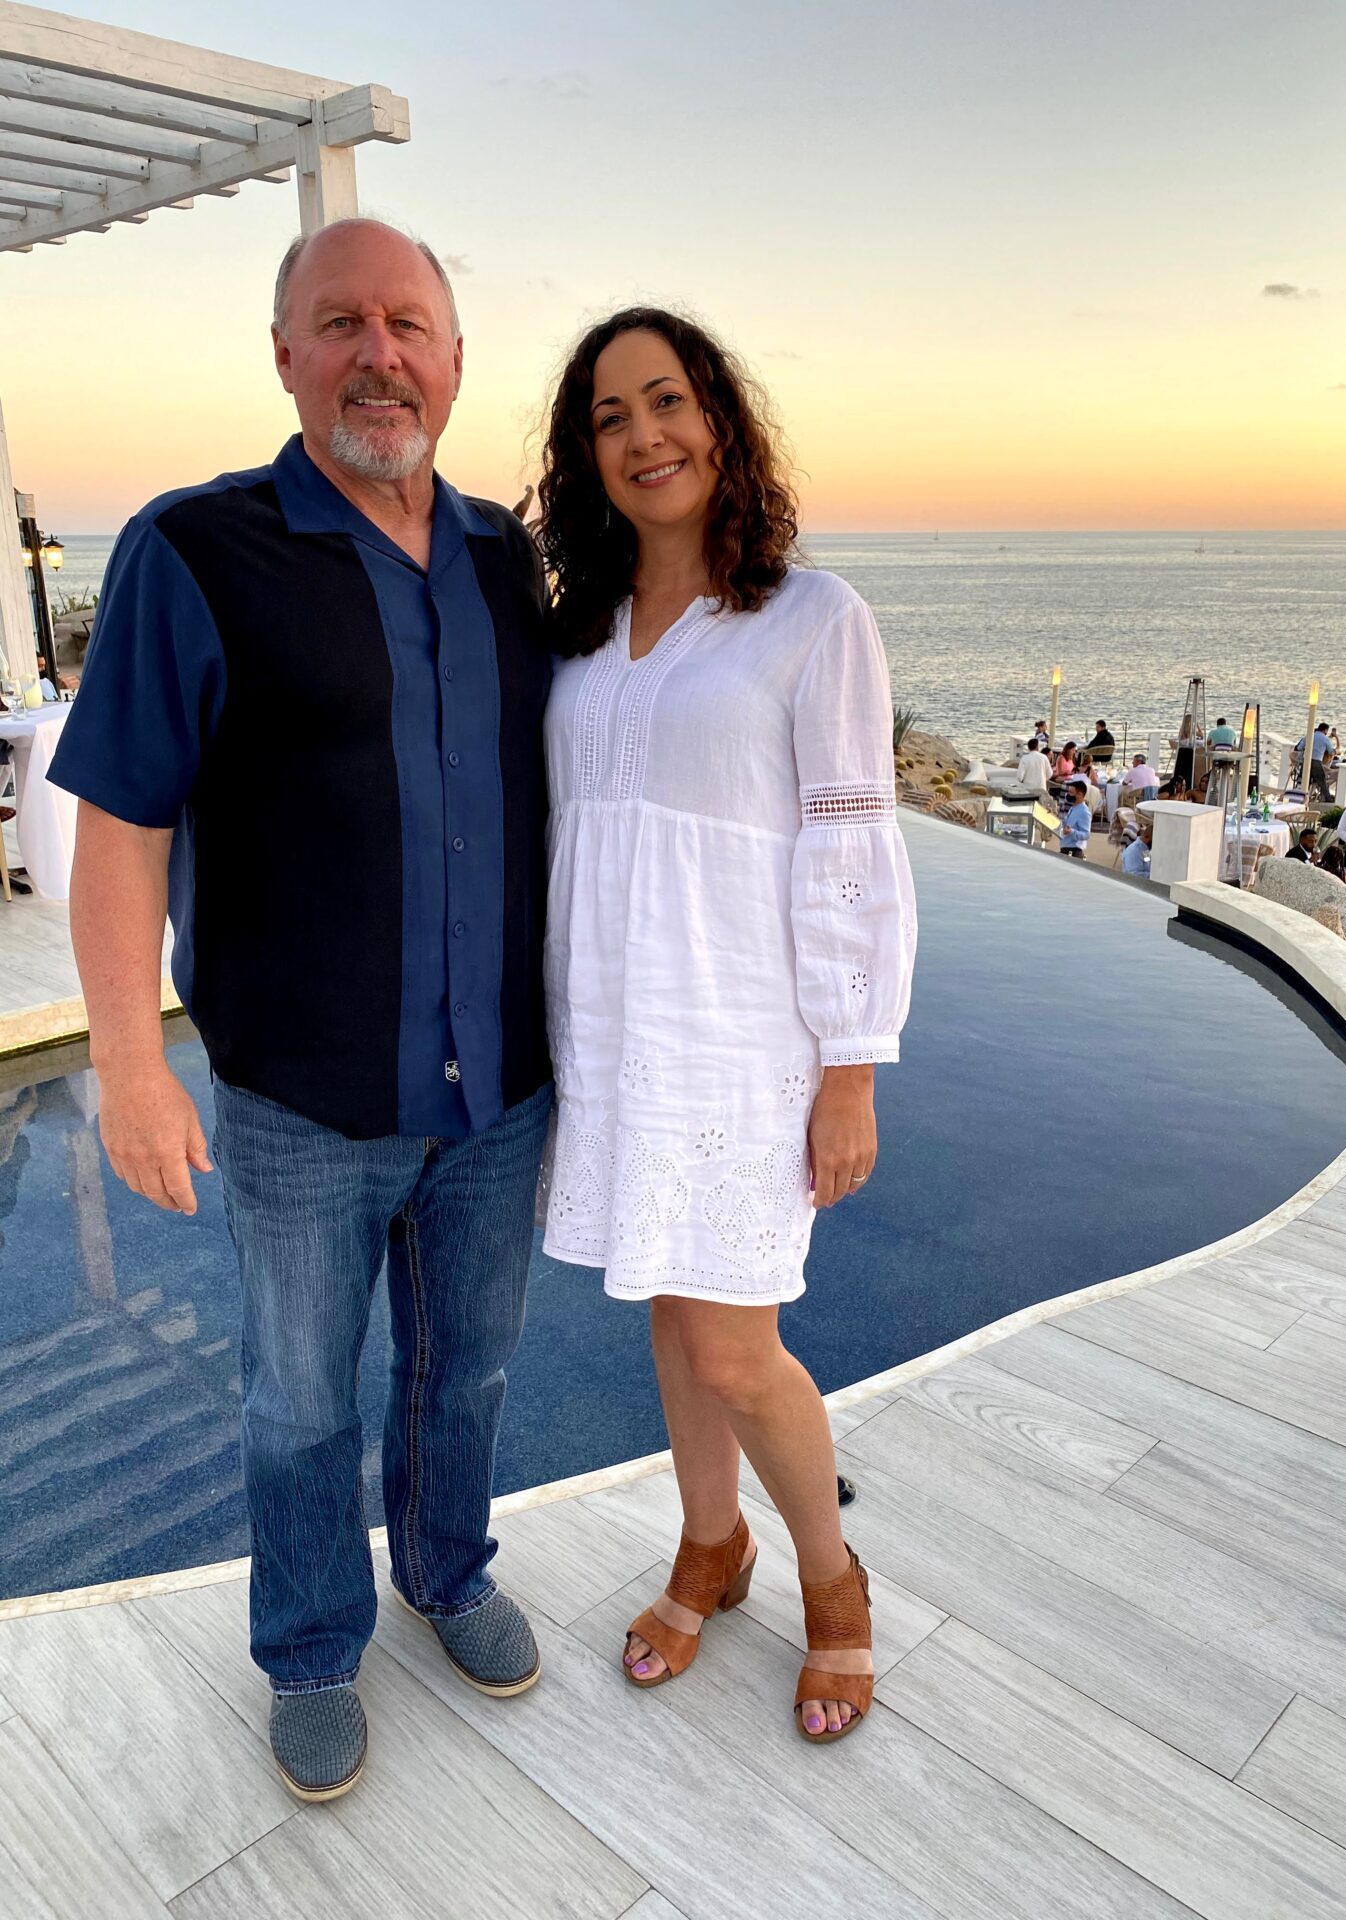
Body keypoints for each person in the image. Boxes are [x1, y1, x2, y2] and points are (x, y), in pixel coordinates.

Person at [49, 221, 554, 1803]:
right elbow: (123, 823)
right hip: (296, 1104)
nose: (379, 353)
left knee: (464, 1373)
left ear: (457, 364)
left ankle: (448, 1572)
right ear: (286, 355)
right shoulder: (193, 551)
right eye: (341, 323)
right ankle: (316, 1644)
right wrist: (131, 1063)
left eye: (411, 324)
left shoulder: (503, 559)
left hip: (498, 1100)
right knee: (294, 1403)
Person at [537, 307, 915, 1744]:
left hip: (743, 1040)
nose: (644, 436)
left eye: (668, 401)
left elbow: (851, 852)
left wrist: (850, 1066)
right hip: (617, 1036)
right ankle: (712, 1544)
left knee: (737, 1348)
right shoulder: (577, 634)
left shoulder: (811, 620)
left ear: (721, 420)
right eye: (611, 416)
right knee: (669, 1308)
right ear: (586, 456)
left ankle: (834, 1578)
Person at [1295, 723, 1337, 802]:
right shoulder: (1325, 739)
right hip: (1316, 762)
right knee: (1322, 781)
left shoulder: (1309, 735)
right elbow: (1331, 752)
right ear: (1325, 730)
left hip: (1306, 760)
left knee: (1304, 780)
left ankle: (1300, 798)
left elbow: (1299, 747)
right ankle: (1328, 799)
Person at [1058, 779, 1091, 858]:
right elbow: (1068, 823)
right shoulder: (1073, 807)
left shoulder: (1084, 812)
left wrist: (1071, 832)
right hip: (1066, 848)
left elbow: (1086, 835)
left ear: (1079, 794)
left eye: (1071, 793)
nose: (1068, 795)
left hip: (1073, 851)